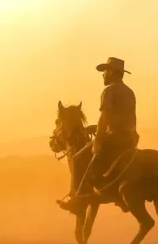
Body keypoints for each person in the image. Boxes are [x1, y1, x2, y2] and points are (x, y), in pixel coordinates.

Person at [59, 56, 139, 213]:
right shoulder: (130, 92)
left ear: (113, 73)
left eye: (106, 71)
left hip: (113, 138)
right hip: (129, 139)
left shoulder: (108, 91)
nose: (103, 75)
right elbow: (129, 117)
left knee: (77, 159)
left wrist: (97, 141)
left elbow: (105, 117)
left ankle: (77, 200)